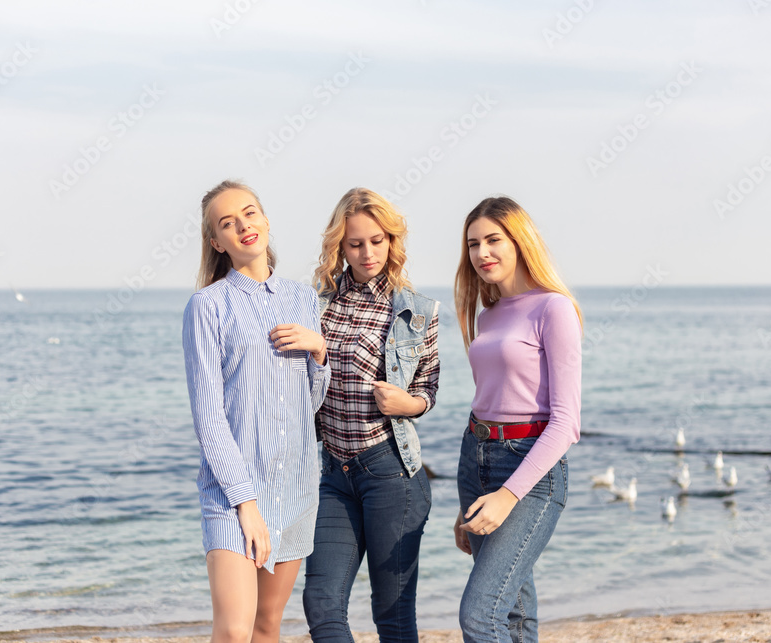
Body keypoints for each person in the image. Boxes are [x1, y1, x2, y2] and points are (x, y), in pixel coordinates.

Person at [182, 180, 330, 643]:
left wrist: (320, 352)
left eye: (249, 213)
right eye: (228, 223)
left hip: (295, 488)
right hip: (233, 497)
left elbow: (311, 405)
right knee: (233, 630)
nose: (243, 225)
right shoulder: (207, 306)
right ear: (216, 242)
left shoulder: (304, 300)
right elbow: (209, 419)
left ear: (265, 220)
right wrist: (246, 504)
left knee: (267, 627)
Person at [302, 188, 439, 643]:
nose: (368, 253)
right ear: (340, 246)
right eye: (356, 243)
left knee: (393, 616)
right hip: (333, 474)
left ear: (391, 241)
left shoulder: (417, 312)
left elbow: (428, 390)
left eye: (377, 241)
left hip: (390, 472)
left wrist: (409, 404)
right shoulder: (316, 303)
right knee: (321, 603)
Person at [452, 196, 583, 643]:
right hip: (476, 457)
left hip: (530, 469)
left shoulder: (553, 308)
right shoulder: (488, 317)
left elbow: (565, 422)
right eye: (473, 244)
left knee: (480, 616)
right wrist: (469, 491)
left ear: (519, 241)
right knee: (515, 617)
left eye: (493, 240)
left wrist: (507, 496)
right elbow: (487, 399)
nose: (482, 253)